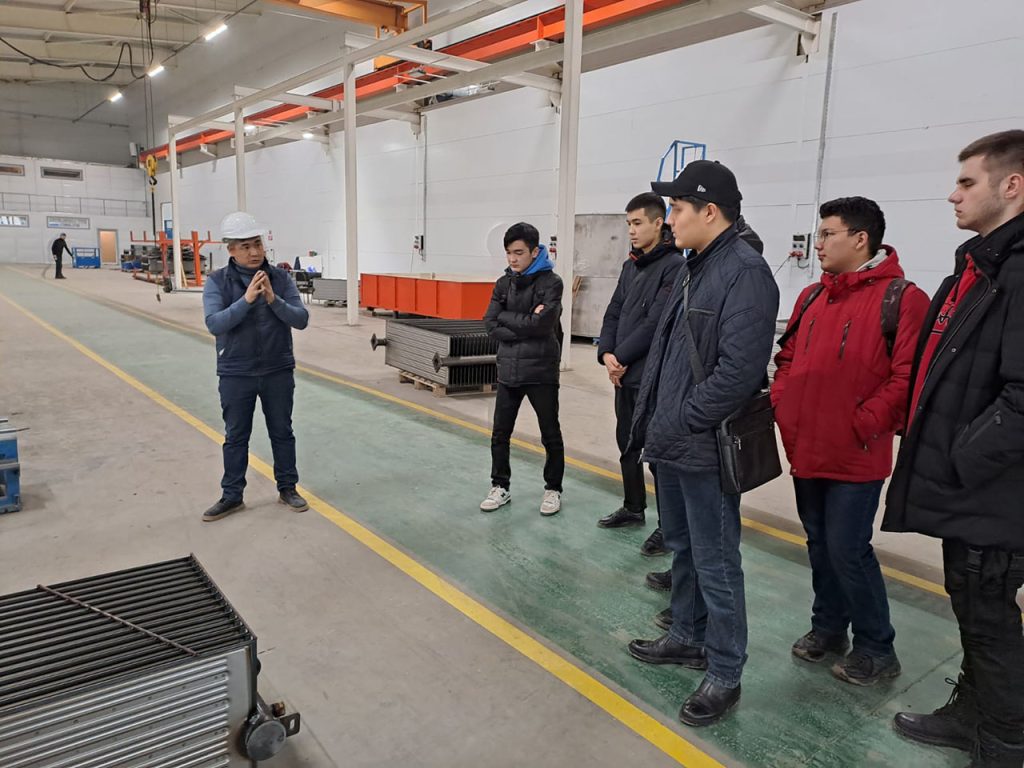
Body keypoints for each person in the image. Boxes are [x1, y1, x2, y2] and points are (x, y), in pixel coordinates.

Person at [883, 130, 1024, 768]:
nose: (953, 194)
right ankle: (972, 714)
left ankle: (1005, 743)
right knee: (972, 608)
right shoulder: (976, 270)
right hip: (966, 488)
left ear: (1012, 186)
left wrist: (960, 459)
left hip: (993, 492)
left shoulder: (1017, 275)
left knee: (990, 619)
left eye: (967, 182)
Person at [626, 160, 779, 727]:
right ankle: (687, 636)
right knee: (686, 549)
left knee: (716, 561)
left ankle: (725, 671)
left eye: (677, 209)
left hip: (704, 445)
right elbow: (668, 352)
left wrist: (684, 419)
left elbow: (739, 373)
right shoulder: (698, 265)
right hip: (674, 440)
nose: (669, 220)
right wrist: (656, 421)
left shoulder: (745, 273)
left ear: (709, 211)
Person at [771, 196, 929, 685]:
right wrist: (784, 404)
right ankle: (828, 628)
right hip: (806, 446)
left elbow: (908, 377)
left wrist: (862, 422)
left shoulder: (903, 299)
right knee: (819, 544)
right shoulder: (812, 297)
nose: (817, 244)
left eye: (827, 234)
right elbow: (786, 359)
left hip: (857, 454)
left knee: (848, 548)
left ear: (861, 239)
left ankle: (877, 647)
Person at [201, 211, 310, 522]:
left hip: (277, 369)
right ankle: (232, 495)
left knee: (282, 431)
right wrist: (246, 300)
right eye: (246, 246)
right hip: (236, 371)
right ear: (231, 250)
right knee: (236, 436)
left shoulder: (281, 279)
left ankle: (287, 488)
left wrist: (274, 300)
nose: (254, 252)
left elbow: (301, 319)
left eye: (257, 244)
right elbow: (215, 323)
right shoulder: (217, 282)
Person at [596, 193, 684, 557]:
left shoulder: (675, 266)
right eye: (628, 223)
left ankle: (669, 526)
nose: (631, 230)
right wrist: (606, 354)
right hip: (624, 374)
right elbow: (614, 311)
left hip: (652, 376)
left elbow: (655, 323)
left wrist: (622, 357)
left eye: (637, 223)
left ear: (658, 223)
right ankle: (633, 506)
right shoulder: (630, 265)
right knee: (627, 444)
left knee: (657, 453)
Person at [481, 222, 565, 517]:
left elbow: (543, 325)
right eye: (509, 253)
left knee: (550, 433)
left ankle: (553, 489)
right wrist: (527, 322)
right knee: (500, 433)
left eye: (519, 252)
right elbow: (490, 323)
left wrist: (509, 317)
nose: (513, 259)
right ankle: (499, 486)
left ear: (534, 251)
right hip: (508, 370)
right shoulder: (503, 283)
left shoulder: (552, 283)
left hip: (541, 370)